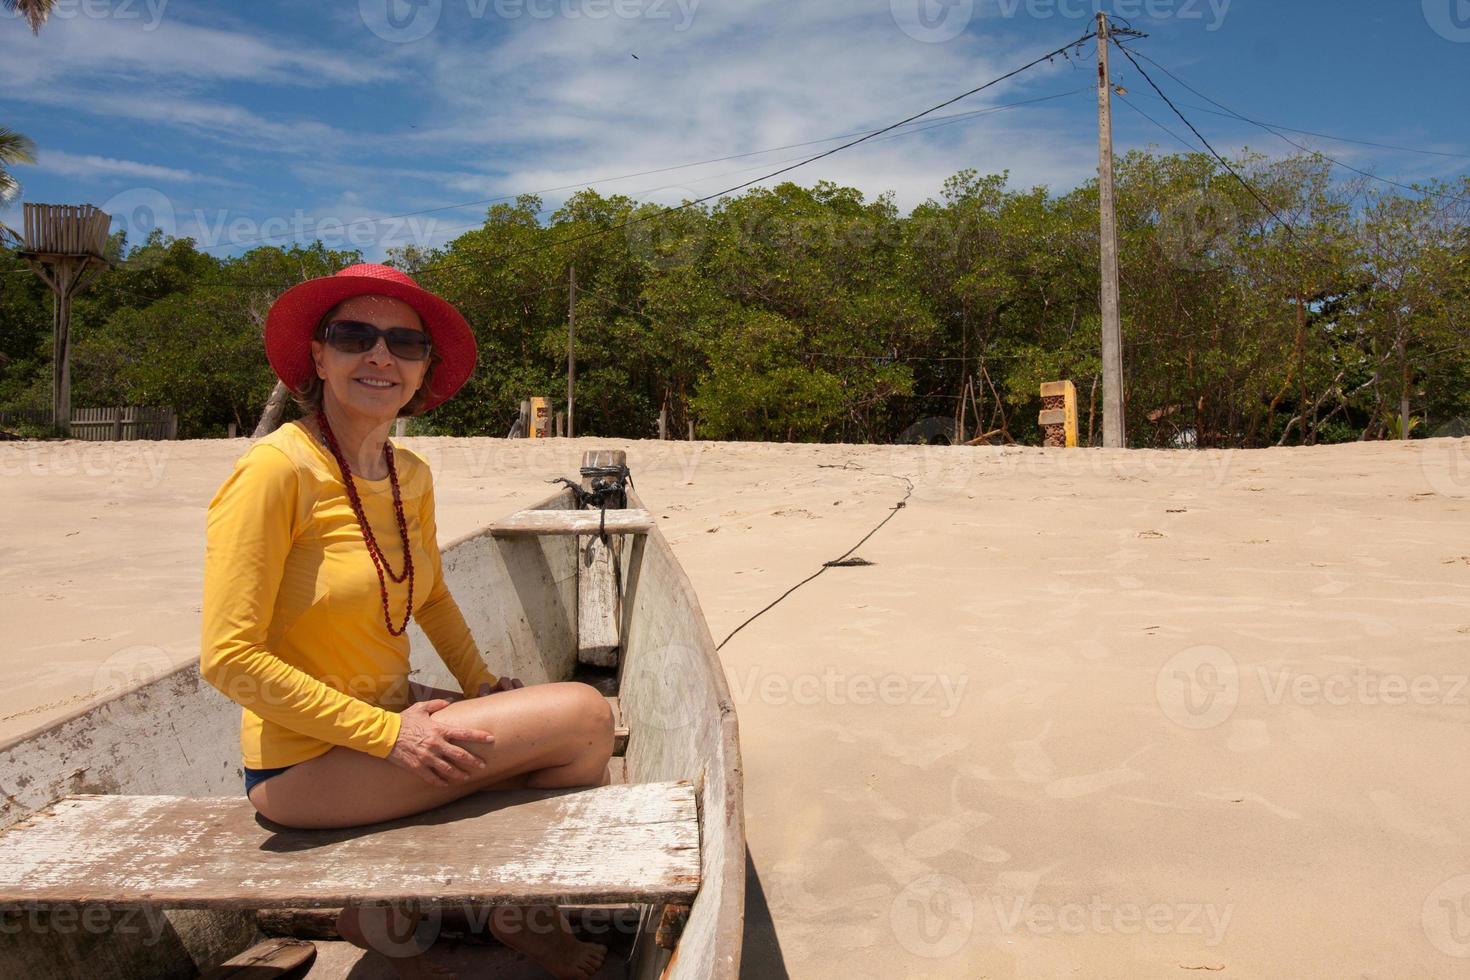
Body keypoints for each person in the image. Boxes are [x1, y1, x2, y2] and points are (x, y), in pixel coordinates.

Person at [200, 263, 612, 979]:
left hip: (385, 718)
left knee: (562, 742)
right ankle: (494, 913)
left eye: (404, 343)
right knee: (584, 718)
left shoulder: (408, 474)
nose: (380, 355)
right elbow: (229, 659)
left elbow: (429, 596)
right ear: (319, 357)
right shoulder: (276, 471)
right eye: (354, 335)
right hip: (302, 763)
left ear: (424, 371)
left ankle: (414, 913)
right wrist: (388, 734)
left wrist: (482, 684)